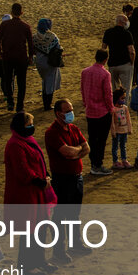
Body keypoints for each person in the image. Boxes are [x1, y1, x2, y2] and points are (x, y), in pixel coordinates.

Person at [3, 112, 55, 274]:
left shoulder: (28, 141)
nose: (32, 127)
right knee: (29, 231)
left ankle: (40, 261)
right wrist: (39, 180)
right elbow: (22, 170)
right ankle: (26, 266)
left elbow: (39, 161)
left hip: (36, 192)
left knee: (40, 228)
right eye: (29, 124)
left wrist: (46, 175)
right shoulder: (14, 144)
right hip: (25, 194)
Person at [44, 99, 92, 262]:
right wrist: (78, 151)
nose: (71, 113)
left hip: (76, 177)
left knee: (74, 214)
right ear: (58, 113)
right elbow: (68, 151)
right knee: (59, 216)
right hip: (61, 179)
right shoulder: (52, 133)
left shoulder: (73, 128)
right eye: (68, 110)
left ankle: (75, 243)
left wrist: (76, 152)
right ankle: (59, 250)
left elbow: (86, 148)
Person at [80, 49, 114, 176]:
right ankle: (98, 164)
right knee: (101, 140)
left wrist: (86, 103)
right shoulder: (105, 74)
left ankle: (94, 164)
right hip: (102, 112)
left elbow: (82, 89)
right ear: (106, 59)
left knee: (93, 139)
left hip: (90, 111)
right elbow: (108, 94)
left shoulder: (85, 72)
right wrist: (111, 109)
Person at [0, 4, 34, 112]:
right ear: (22, 13)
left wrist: (0, 52)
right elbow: (30, 43)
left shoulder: (4, 25)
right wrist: (31, 56)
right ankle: (20, 105)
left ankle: (10, 102)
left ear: (11, 12)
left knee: (8, 80)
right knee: (21, 82)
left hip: (7, 56)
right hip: (21, 57)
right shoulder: (26, 26)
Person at [32, 18, 63, 111]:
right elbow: (58, 48)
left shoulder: (34, 37)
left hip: (39, 62)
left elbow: (33, 50)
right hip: (50, 62)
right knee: (50, 82)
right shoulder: (52, 37)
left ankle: (46, 102)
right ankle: (47, 105)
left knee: (44, 81)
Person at [102, 14, 135, 93]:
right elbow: (131, 51)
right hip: (125, 64)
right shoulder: (127, 34)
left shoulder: (108, 32)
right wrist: (132, 63)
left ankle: (114, 104)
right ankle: (125, 105)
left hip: (112, 64)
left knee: (114, 90)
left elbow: (103, 48)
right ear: (124, 22)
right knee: (126, 89)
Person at [109, 88, 132, 170]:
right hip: (117, 131)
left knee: (123, 146)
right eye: (122, 98)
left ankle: (124, 159)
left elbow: (128, 119)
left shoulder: (125, 108)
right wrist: (113, 131)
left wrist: (129, 129)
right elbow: (112, 122)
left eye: (124, 98)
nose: (123, 100)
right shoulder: (114, 109)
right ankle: (115, 161)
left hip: (124, 131)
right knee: (115, 147)